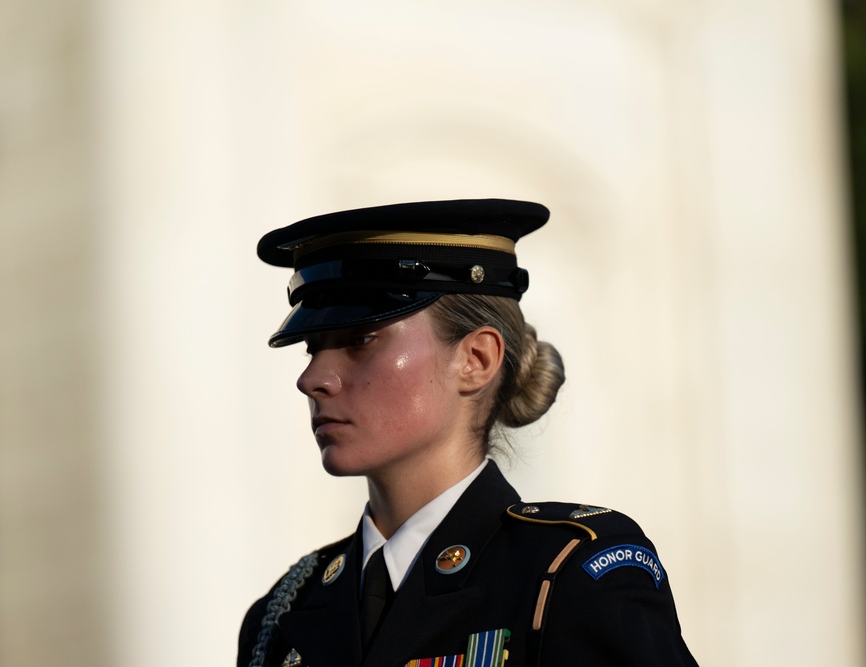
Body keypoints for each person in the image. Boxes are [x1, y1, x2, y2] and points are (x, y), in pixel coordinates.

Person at [237, 199, 698, 667]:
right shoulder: (282, 613)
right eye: (312, 349)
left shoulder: (569, 576)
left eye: (360, 340)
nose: (313, 378)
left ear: (476, 360)